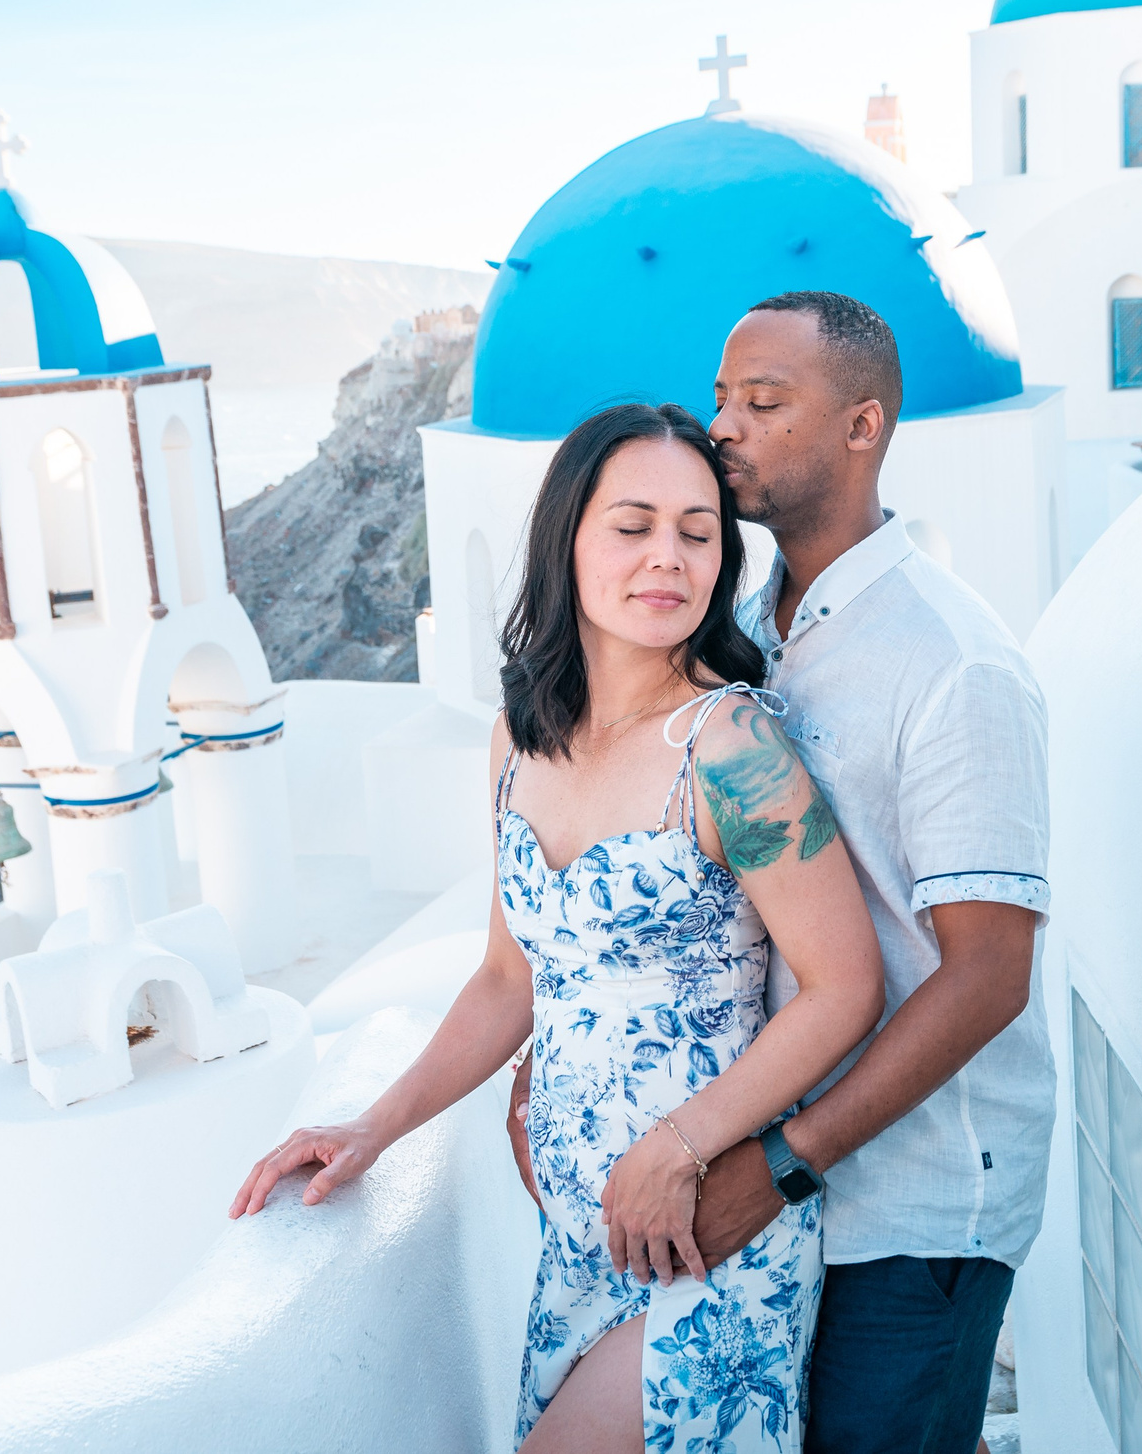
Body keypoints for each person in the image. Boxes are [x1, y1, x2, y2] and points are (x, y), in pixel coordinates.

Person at [231, 402, 885, 1453]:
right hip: (577, 1231)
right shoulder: (516, 741)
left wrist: (678, 1145)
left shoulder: (730, 746)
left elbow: (844, 986)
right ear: (567, 537)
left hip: (704, 1223)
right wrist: (370, 1126)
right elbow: (506, 978)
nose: (666, 556)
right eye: (633, 524)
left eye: (696, 530)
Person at [507, 292, 1055, 1454]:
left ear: (863, 427)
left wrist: (777, 1164)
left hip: (909, 1209)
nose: (726, 429)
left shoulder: (953, 664)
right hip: (757, 1190)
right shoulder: (747, 625)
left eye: (762, 403)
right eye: (721, 400)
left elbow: (988, 976)